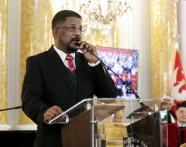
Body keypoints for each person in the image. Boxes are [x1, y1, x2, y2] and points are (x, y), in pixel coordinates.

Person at [21, 10, 117, 147]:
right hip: (54, 141)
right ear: (56, 32)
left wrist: (94, 63)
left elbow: (109, 95)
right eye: (72, 28)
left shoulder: (88, 61)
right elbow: (29, 100)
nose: (78, 33)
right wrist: (44, 112)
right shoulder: (38, 62)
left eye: (80, 29)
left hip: (86, 140)